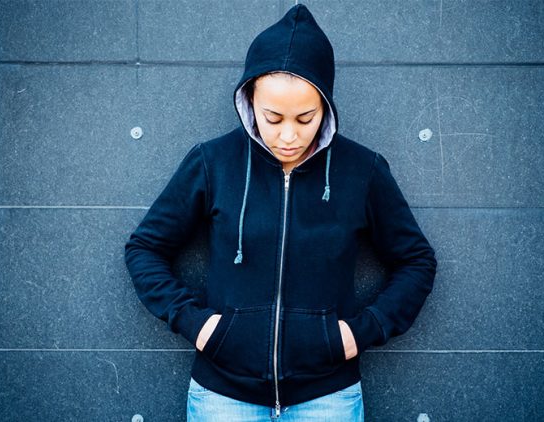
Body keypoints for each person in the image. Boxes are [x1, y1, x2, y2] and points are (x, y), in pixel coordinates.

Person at [124, 4, 437, 421]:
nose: (288, 135)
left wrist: (357, 333)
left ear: (326, 104)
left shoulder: (362, 171)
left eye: (305, 118)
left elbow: (416, 261)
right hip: (224, 397)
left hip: (328, 398)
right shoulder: (212, 163)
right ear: (249, 99)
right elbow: (145, 248)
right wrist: (198, 326)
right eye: (272, 118)